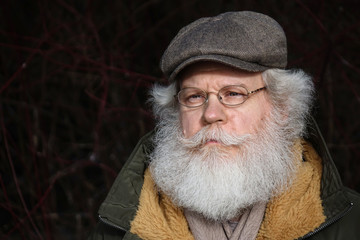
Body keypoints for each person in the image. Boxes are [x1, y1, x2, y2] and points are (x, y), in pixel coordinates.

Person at [88, 11, 360, 240]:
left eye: (233, 94)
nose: (211, 114)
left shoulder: (350, 223)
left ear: (282, 108)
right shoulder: (118, 229)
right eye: (194, 97)